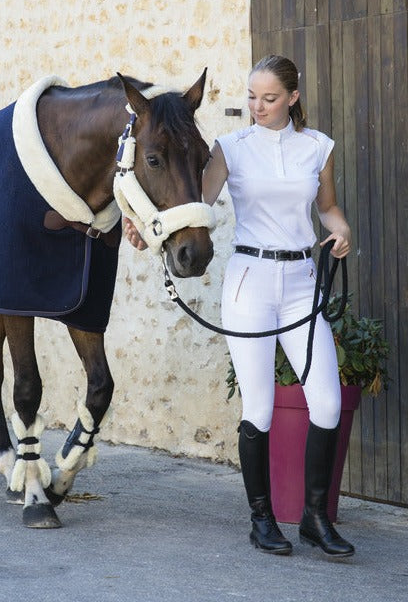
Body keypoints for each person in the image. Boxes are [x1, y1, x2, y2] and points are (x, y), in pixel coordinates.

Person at [124, 55, 354, 557]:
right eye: (251, 97)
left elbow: (327, 207)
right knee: (261, 408)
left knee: (329, 403)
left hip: (300, 282)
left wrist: (339, 228)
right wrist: (145, 226)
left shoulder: (318, 148)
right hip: (250, 281)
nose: (258, 106)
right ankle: (262, 519)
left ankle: (315, 518)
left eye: (269, 99)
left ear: (292, 98)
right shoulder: (231, 148)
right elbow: (191, 201)